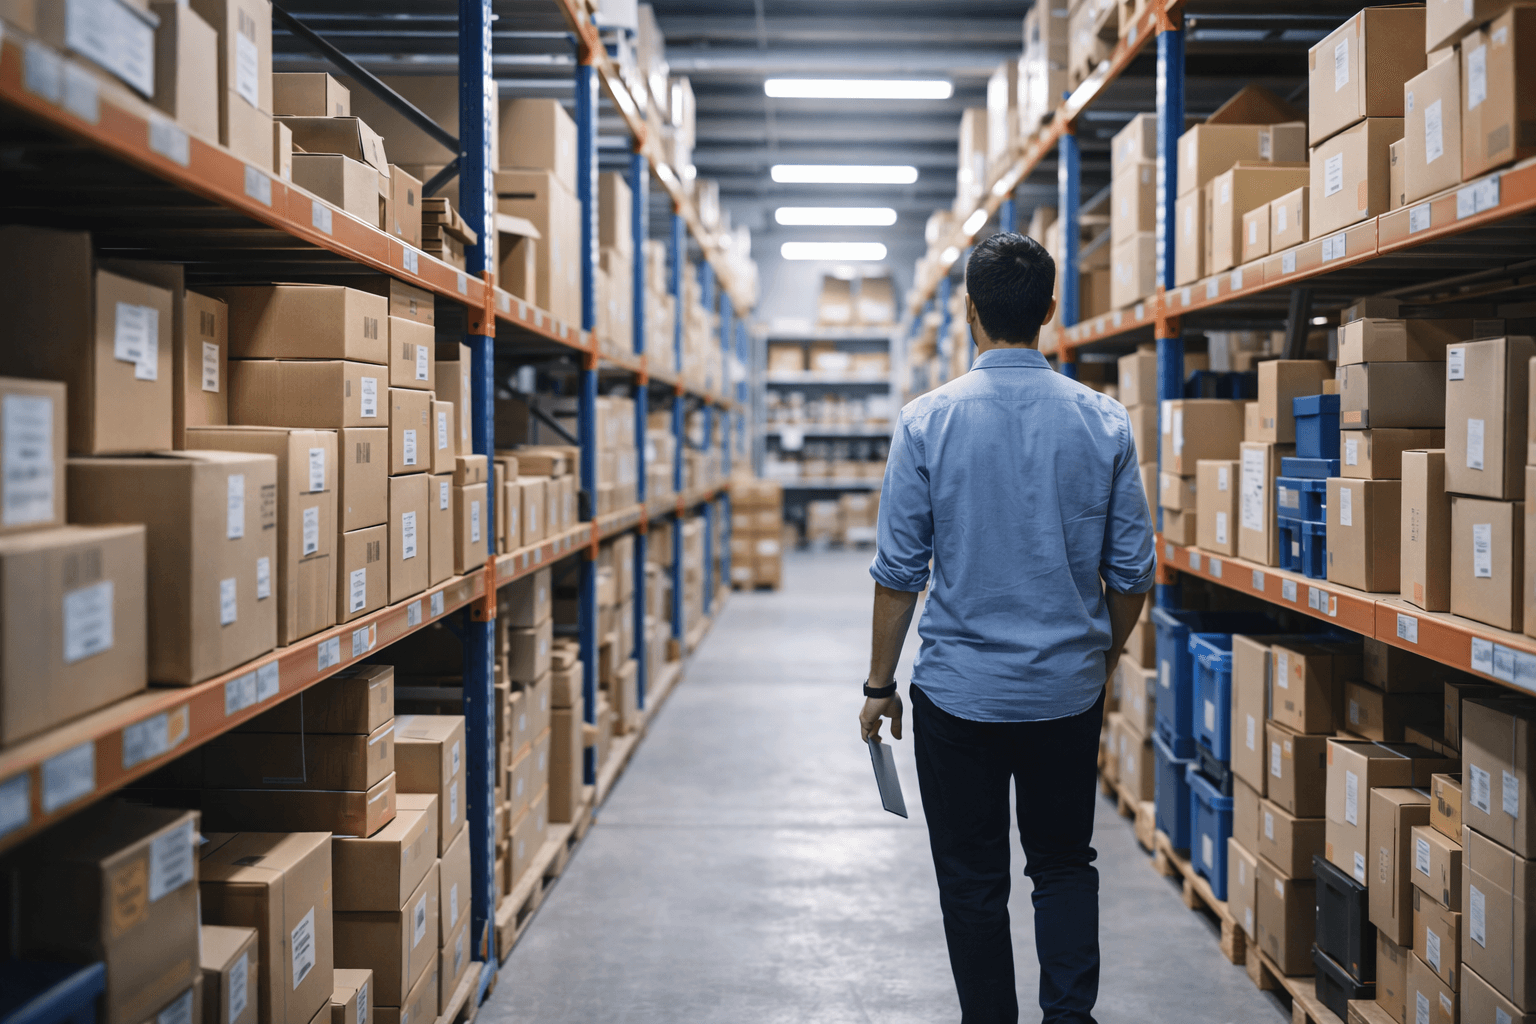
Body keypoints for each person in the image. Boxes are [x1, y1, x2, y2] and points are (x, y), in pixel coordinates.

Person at [860, 233, 1155, 1024]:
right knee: (1063, 865)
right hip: (1065, 692)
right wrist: (1100, 656)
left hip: (960, 701)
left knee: (972, 881)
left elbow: (898, 578)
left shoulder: (926, 423)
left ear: (969, 313)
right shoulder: (1105, 422)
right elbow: (1132, 576)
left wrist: (879, 686)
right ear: (1051, 312)